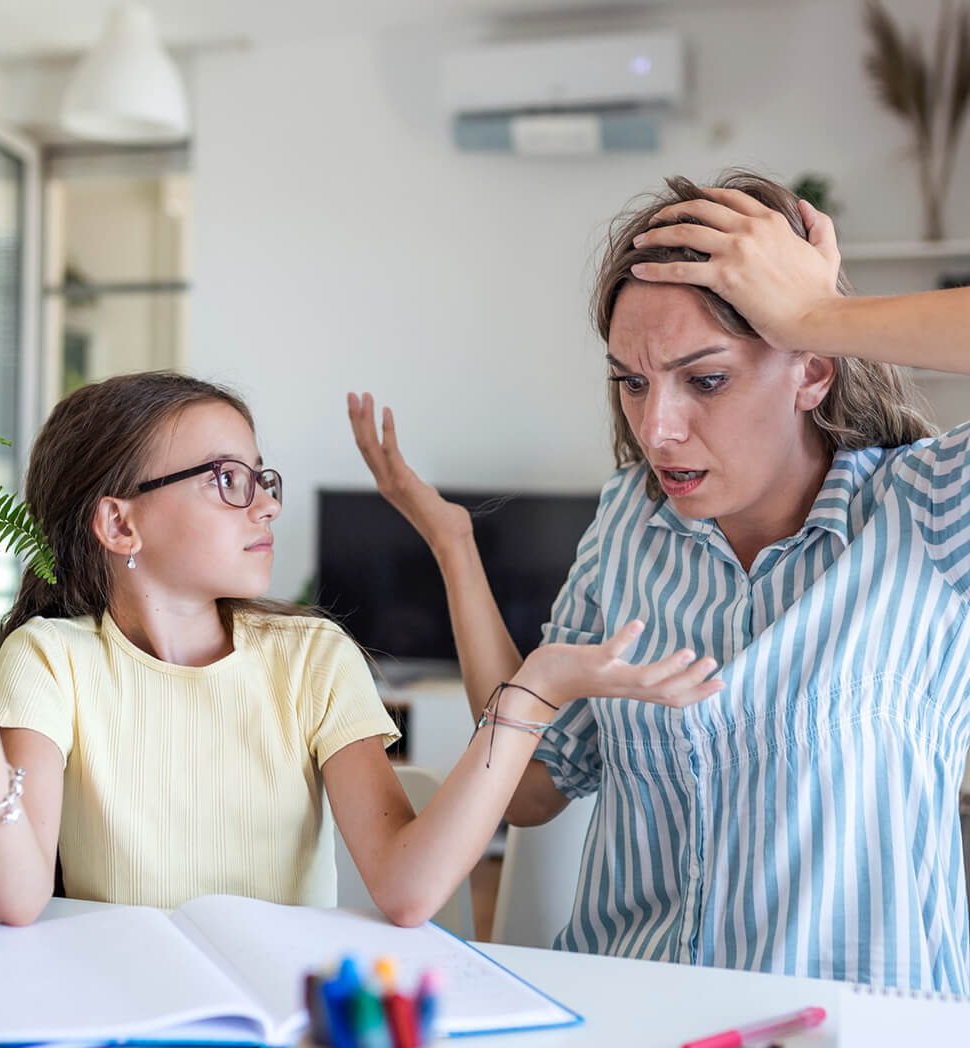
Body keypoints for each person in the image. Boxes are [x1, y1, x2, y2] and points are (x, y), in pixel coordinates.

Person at [349, 169, 970, 993]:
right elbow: (532, 789)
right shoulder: (629, 524)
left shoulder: (926, 510)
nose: (657, 430)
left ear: (812, 372)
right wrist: (455, 546)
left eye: (704, 380)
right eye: (633, 383)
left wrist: (820, 315)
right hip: (629, 1016)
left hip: (851, 1039)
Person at [0, 372, 715, 928]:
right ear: (119, 523)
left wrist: (534, 688)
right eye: (226, 479)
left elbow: (406, 888)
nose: (264, 506)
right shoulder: (49, 661)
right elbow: (18, 896)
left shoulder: (310, 657)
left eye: (262, 477)